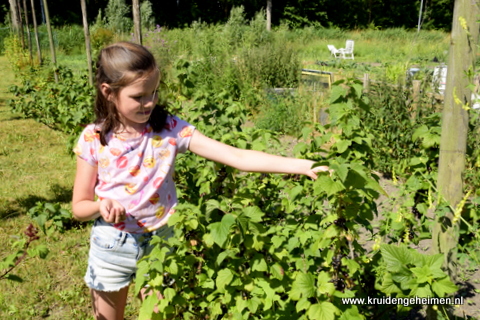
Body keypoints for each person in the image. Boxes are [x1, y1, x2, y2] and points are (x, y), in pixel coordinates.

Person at [72, 41, 329, 320]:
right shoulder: (93, 139)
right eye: (139, 96)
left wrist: (303, 165)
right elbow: (79, 206)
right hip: (112, 244)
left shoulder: (168, 129)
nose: (150, 102)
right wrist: (101, 205)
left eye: (154, 92)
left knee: (160, 314)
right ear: (108, 92)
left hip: (161, 242)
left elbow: (237, 157)